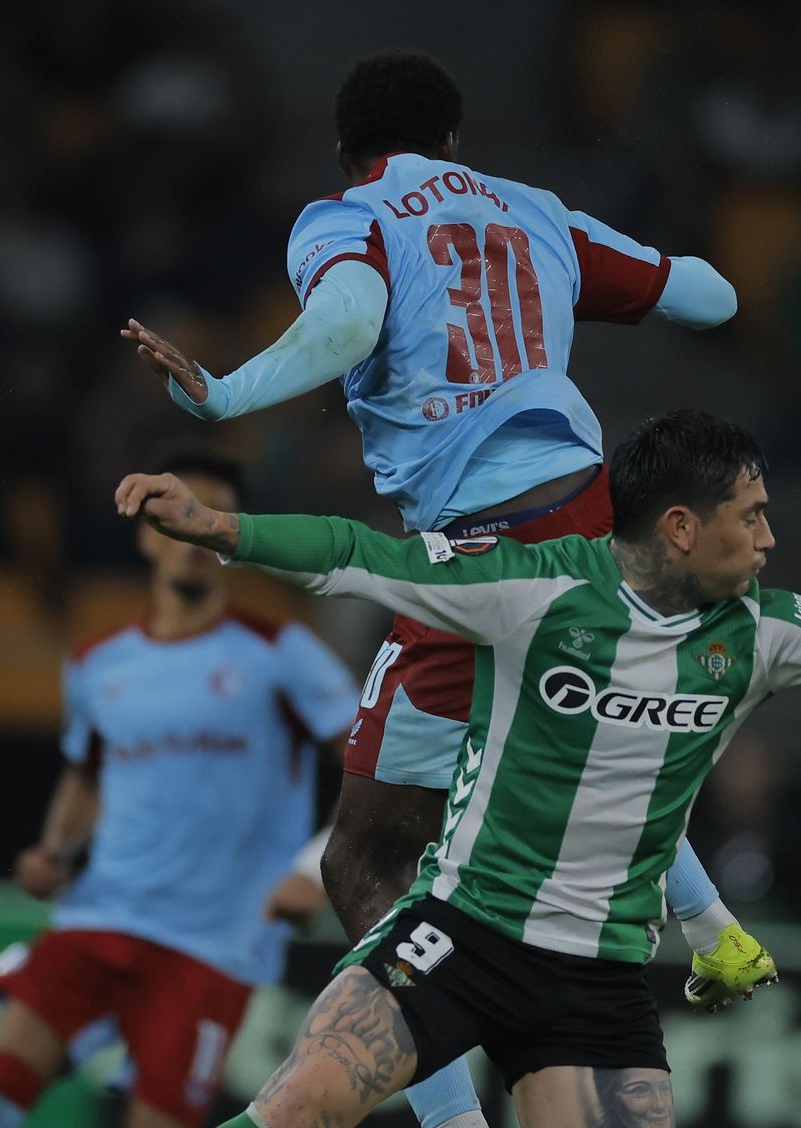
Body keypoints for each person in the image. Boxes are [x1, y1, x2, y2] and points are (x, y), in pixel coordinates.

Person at [113, 409, 801, 1128]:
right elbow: (360, 554)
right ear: (676, 526)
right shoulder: (536, 591)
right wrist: (220, 526)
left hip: (600, 979)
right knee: (303, 1103)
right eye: (748, 519)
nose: (768, 539)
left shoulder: (757, 631)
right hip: (466, 928)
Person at [122, 49, 765, 1128]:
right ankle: (712, 929)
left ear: (346, 149)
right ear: (455, 138)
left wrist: (226, 394)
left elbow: (351, 318)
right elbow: (709, 295)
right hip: (588, 516)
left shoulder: (345, 217)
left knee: (365, 853)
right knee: (577, 737)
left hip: (485, 544)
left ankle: (454, 1122)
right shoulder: (538, 211)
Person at [0, 451, 361, 1128]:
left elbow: (377, 763)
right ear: (145, 533)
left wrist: (311, 869)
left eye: (210, 518)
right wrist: (54, 849)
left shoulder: (279, 651)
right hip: (97, 919)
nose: (193, 534)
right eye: (177, 514)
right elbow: (87, 773)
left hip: (210, 948)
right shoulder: (96, 663)